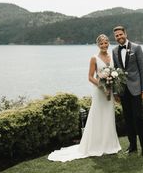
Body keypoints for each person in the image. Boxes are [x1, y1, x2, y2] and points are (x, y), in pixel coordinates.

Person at [48, 34, 121, 162]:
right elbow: (90, 77)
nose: (104, 45)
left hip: (110, 92)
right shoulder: (94, 58)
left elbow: (115, 73)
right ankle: (95, 145)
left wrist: (112, 83)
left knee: (109, 116)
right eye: (101, 43)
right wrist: (102, 85)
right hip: (100, 92)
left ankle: (109, 144)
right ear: (98, 45)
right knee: (97, 115)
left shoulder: (112, 56)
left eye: (106, 43)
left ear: (109, 43)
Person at [112, 25, 143, 157]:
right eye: (116, 36)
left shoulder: (136, 48)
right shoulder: (114, 50)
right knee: (128, 119)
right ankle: (132, 146)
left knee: (139, 118)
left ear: (125, 34)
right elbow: (116, 72)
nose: (119, 37)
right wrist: (116, 92)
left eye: (121, 34)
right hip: (123, 90)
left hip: (136, 89)